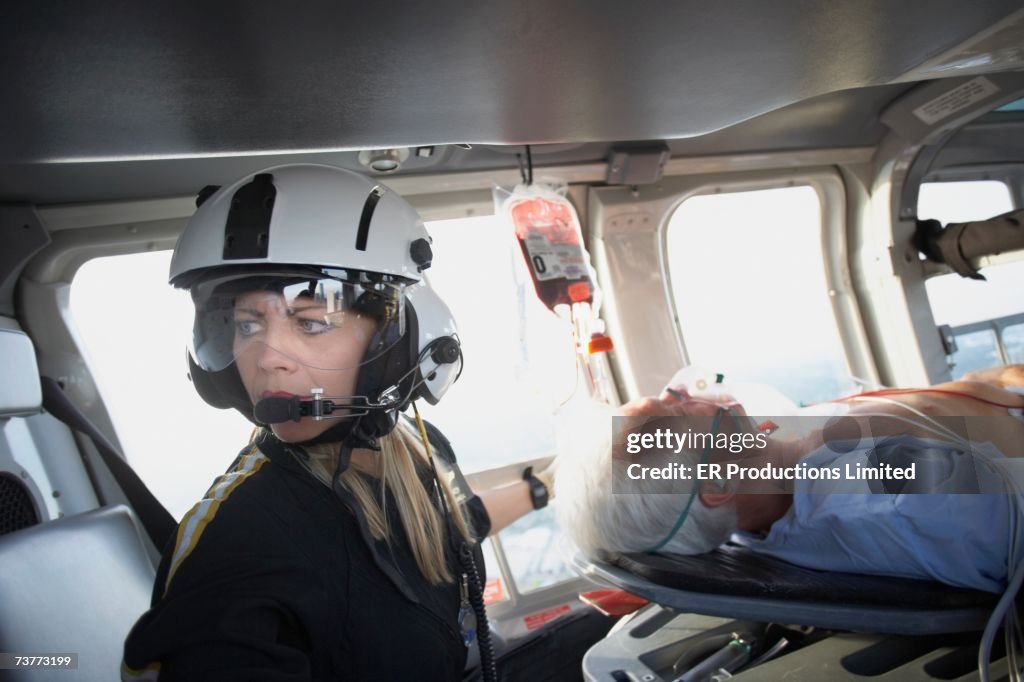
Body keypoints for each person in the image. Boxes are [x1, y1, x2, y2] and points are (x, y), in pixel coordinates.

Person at [121, 165, 553, 681]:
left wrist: (551, 485)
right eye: (246, 325)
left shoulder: (413, 445)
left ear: (393, 342)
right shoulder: (237, 541)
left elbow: (450, 527)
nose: (268, 358)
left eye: (311, 323)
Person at [555, 368, 1024, 593]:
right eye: (674, 410)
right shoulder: (896, 492)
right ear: (717, 482)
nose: (684, 392)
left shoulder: (766, 487)